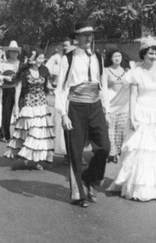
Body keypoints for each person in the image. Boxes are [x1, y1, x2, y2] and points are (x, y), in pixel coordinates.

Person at [109, 36, 156, 201]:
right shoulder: (135, 73)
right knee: (142, 149)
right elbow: (133, 96)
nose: (153, 57)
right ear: (143, 54)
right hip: (142, 111)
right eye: (150, 54)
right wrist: (132, 117)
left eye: (155, 53)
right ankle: (138, 187)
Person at [55, 22, 109, 208]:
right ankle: (78, 194)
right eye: (84, 35)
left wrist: (106, 110)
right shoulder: (68, 59)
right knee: (75, 153)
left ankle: (89, 178)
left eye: (90, 35)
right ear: (76, 38)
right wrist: (63, 114)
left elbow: (103, 84)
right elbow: (61, 87)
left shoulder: (99, 58)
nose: (88, 39)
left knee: (104, 148)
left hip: (95, 105)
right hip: (75, 107)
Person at [4, 49, 55, 170]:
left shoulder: (44, 70)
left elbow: (47, 86)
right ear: (33, 59)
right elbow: (18, 88)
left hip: (42, 105)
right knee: (28, 131)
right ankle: (27, 154)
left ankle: (38, 160)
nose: (41, 61)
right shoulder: (25, 72)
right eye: (39, 58)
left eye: (43, 58)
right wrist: (16, 105)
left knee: (40, 133)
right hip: (28, 104)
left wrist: (54, 88)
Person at [102, 49, 131, 163]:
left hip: (123, 103)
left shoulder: (127, 71)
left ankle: (119, 152)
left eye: (119, 56)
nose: (117, 58)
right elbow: (104, 88)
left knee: (121, 129)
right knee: (110, 129)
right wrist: (105, 106)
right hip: (111, 102)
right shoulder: (106, 71)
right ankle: (110, 153)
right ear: (110, 58)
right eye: (115, 56)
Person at [0, 41, 21, 142]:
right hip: (8, 89)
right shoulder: (4, 64)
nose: (14, 53)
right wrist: (5, 77)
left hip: (19, 89)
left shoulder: (21, 64)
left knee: (20, 111)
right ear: (9, 52)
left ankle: (19, 134)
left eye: (16, 52)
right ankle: (4, 134)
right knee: (6, 112)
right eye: (12, 51)